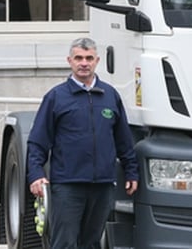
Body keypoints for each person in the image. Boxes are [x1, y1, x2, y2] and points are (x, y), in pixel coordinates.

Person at [27, 37, 139, 249]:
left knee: (92, 243)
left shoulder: (110, 96)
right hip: (68, 185)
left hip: (103, 185)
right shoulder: (56, 97)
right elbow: (38, 141)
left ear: (97, 61)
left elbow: (123, 140)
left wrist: (131, 171)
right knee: (65, 243)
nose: (84, 63)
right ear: (69, 61)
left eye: (89, 58)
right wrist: (36, 174)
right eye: (79, 58)